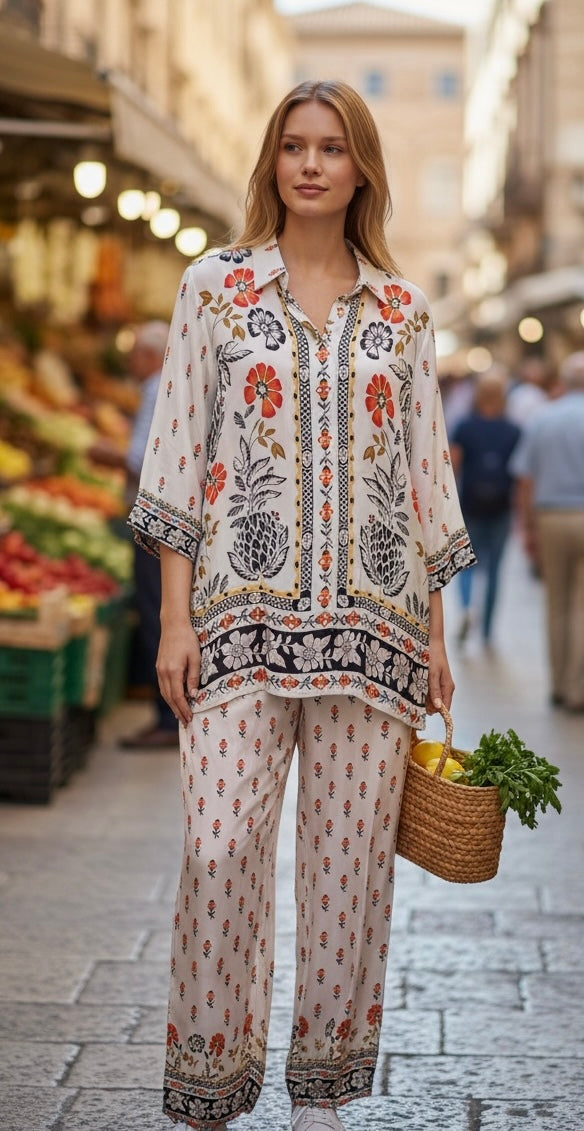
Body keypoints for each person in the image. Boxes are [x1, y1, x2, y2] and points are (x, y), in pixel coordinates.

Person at [128, 80, 475, 1131]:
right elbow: (179, 456)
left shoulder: (403, 310)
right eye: (293, 147)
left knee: (349, 871)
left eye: (331, 148)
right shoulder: (215, 289)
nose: (310, 164)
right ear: (272, 163)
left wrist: (434, 639)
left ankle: (319, 1093)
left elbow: (423, 480)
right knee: (220, 847)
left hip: (373, 635)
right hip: (235, 627)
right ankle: (208, 1084)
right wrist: (174, 621)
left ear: (361, 168)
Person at [89, 320, 177, 748]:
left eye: (135, 354)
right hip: (164, 519)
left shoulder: (155, 388)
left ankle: (167, 718)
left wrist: (107, 454)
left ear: (149, 355)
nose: (129, 361)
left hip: (152, 522)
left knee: (156, 612)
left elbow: (143, 462)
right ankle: (168, 714)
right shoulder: (170, 385)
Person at [511, 350, 584, 711]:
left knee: (556, 602)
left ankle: (558, 684)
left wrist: (527, 526)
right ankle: (577, 687)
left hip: (551, 516)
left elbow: (525, 478)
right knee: (581, 605)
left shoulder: (543, 419)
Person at [450, 367, 521, 646]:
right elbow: (520, 474)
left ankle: (467, 608)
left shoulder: (465, 426)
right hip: (501, 506)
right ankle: (488, 630)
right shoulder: (513, 429)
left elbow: (454, 465)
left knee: (467, 563)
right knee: (495, 569)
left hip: (471, 503)